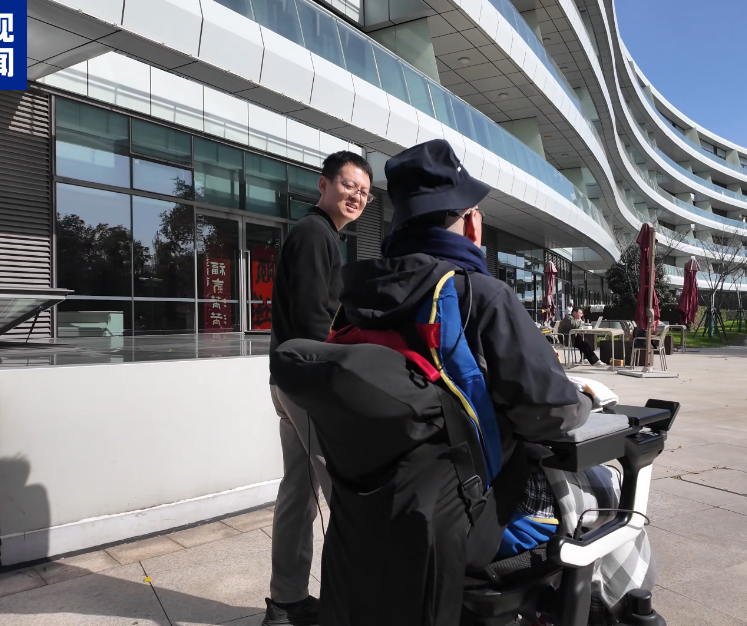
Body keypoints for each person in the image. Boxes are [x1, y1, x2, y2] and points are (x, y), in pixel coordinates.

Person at [279, 140, 654, 625]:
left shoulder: (359, 299)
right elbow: (552, 413)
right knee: (608, 489)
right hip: (473, 521)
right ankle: (623, 607)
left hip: (371, 520)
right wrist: (582, 397)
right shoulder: (480, 294)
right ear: (469, 222)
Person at [265, 150, 373, 626]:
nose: (356, 196)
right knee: (347, 496)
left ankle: (286, 603)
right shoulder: (315, 234)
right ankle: (353, 607)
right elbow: (313, 321)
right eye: (349, 185)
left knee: (299, 493)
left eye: (364, 192)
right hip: (309, 385)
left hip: (291, 381)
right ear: (323, 185)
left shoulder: (321, 235)